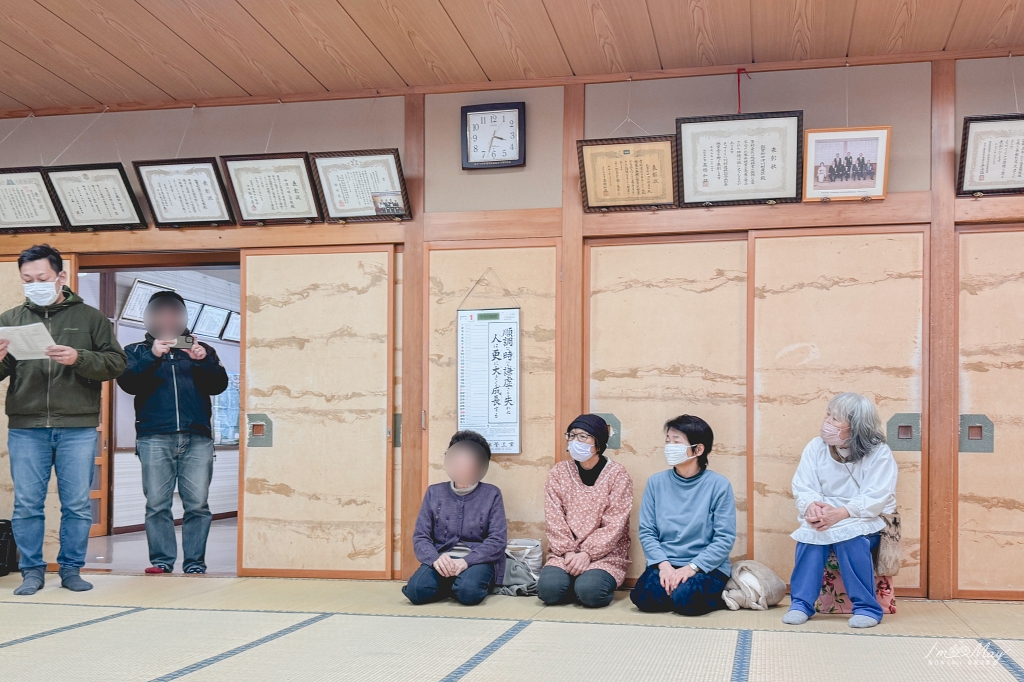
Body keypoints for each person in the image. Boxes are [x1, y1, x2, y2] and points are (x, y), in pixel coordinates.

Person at [2, 245, 126, 595]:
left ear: (60, 276)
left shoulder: (90, 318)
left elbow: (116, 363)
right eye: (27, 280)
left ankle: (71, 569)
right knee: (27, 504)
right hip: (26, 427)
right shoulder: (10, 319)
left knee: (76, 504)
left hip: (78, 426)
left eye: (41, 278)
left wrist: (79, 358)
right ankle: (31, 571)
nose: (34, 285)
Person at [117, 291, 228, 575]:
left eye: (174, 313)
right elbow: (128, 383)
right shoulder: (135, 352)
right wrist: (153, 356)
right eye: (161, 313)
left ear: (182, 317)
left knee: (198, 505)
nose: (168, 319)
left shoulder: (199, 349)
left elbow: (219, 386)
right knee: (157, 504)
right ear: (150, 318)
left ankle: (194, 563)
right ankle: (162, 561)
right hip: (154, 437)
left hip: (198, 437)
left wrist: (203, 360)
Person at [782, 392, 897, 629]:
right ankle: (801, 604)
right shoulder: (815, 447)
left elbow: (876, 496)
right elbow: (804, 485)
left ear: (855, 427)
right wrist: (812, 508)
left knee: (850, 539)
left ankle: (867, 608)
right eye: (828, 415)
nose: (827, 422)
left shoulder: (879, 452)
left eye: (835, 419)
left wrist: (842, 513)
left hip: (864, 517)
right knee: (811, 536)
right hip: (825, 515)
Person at [630, 415, 736, 616]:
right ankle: (677, 592)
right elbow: (647, 531)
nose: (669, 446)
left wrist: (691, 568)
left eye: (676, 441)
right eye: (667, 440)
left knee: (685, 599)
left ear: (698, 449)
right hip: (666, 563)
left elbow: (724, 539)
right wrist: (665, 566)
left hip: (705, 566)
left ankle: (699, 594)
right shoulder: (656, 483)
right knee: (644, 598)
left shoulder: (719, 486)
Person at [537, 414, 633, 608]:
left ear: (598, 444)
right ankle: (573, 583)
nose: (575, 441)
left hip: (605, 555)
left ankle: (581, 586)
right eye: (571, 436)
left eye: (583, 436)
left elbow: (615, 523)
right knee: (548, 590)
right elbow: (554, 517)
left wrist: (588, 553)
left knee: (591, 592)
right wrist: (568, 553)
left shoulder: (617, 475)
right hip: (566, 554)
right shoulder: (559, 472)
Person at [404, 431, 507, 606]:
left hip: (477, 561)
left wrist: (467, 561)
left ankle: (462, 583)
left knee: (469, 593)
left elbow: (497, 540)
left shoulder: (492, 494)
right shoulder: (434, 492)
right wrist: (435, 559)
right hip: (441, 559)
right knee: (415, 591)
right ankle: (451, 583)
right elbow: (421, 536)